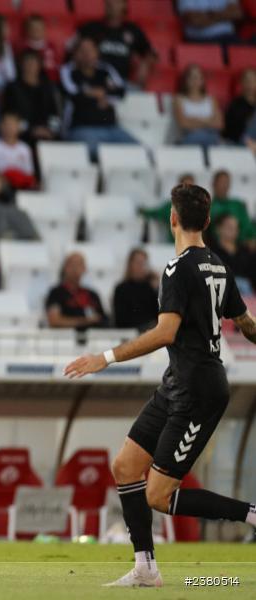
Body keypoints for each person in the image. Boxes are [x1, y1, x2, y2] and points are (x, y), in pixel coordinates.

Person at [64, 183, 256, 588]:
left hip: (198, 391)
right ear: (205, 221)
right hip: (178, 384)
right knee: (125, 466)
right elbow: (246, 324)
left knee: (159, 495)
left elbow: (165, 332)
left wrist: (106, 358)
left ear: (172, 218)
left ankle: (251, 514)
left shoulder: (177, 268)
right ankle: (145, 568)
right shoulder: (219, 266)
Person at [60, 36, 137, 159]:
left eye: (90, 50)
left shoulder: (105, 70)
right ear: (75, 54)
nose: (87, 54)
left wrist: (102, 95)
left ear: (97, 52)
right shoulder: (68, 70)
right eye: (83, 50)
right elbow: (72, 92)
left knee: (139, 152)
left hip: (111, 127)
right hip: (82, 128)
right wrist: (99, 94)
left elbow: (121, 91)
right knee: (97, 154)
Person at [76, 0, 155, 87]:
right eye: (108, 1)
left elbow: (151, 52)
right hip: (95, 81)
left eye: (116, 1)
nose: (111, 3)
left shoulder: (133, 30)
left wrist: (145, 64)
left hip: (122, 83)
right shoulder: (91, 28)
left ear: (124, 5)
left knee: (138, 94)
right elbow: (74, 51)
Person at [2, 49, 61, 148]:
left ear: (39, 65)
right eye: (27, 62)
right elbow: (10, 114)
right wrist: (31, 130)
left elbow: (54, 114)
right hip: (22, 133)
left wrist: (51, 130)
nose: (30, 65)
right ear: (21, 65)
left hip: (47, 134)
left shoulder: (48, 87)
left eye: (34, 62)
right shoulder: (12, 88)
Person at [45, 252, 109, 329]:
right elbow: (54, 321)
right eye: (72, 264)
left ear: (85, 269)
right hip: (66, 338)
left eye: (79, 264)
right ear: (65, 268)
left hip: (94, 338)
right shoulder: (56, 293)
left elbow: (102, 319)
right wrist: (85, 321)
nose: (75, 268)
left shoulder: (92, 294)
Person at [173, 64, 223, 147]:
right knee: (199, 137)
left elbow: (219, 124)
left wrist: (194, 120)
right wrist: (207, 121)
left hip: (211, 136)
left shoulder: (211, 99)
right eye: (191, 77)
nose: (195, 80)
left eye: (198, 77)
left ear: (202, 80)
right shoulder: (179, 99)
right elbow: (184, 124)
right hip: (189, 137)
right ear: (186, 80)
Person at [0, 112, 35, 189]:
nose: (9, 128)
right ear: (1, 126)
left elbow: (29, 173)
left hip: (22, 185)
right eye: (7, 125)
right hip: (0, 185)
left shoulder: (25, 149)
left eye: (12, 125)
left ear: (18, 127)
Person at [112, 248, 159, 330]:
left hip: (151, 332)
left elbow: (159, 313)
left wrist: (158, 289)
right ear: (130, 264)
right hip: (130, 332)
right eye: (138, 263)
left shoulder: (151, 287)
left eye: (144, 263)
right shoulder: (121, 288)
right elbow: (120, 320)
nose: (141, 266)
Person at [209, 213, 256, 295]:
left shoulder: (246, 251)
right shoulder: (211, 253)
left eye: (235, 227)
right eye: (229, 226)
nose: (233, 229)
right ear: (218, 228)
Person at [208, 169, 256, 244]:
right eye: (222, 182)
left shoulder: (237, 205)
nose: (225, 185)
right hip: (218, 247)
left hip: (243, 247)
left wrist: (251, 239)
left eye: (227, 182)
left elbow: (248, 227)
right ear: (214, 184)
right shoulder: (208, 207)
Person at [20, 14, 58, 82]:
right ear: (27, 30)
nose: (37, 30)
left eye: (39, 28)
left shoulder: (51, 46)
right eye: (33, 28)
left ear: (44, 29)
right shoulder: (23, 47)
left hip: (52, 81)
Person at [223, 68, 256, 144]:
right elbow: (229, 131)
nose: (250, 83)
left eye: (253, 80)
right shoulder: (235, 105)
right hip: (242, 141)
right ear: (242, 83)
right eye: (247, 80)